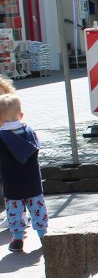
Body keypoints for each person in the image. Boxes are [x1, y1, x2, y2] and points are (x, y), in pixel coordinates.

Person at [0, 78, 47, 252]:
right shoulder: (30, 132)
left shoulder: (1, 138)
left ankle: (17, 239)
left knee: (15, 213)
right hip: (33, 182)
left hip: (12, 184)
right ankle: (43, 235)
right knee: (38, 209)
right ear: (21, 115)